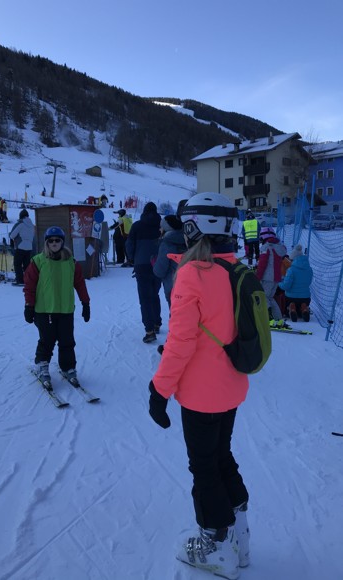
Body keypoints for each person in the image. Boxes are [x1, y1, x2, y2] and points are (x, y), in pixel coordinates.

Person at [148, 192, 249, 580]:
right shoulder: (235, 269)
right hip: (231, 388)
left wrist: (160, 390)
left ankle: (217, 544)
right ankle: (239, 537)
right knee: (222, 456)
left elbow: (181, 341)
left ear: (194, 229)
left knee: (204, 467)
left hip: (202, 395)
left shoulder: (193, 274)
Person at [23, 226, 90, 389]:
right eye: (51, 241)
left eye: (57, 240)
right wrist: (29, 306)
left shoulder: (71, 262)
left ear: (62, 242)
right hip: (45, 310)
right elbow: (29, 286)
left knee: (67, 341)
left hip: (66, 309)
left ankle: (68, 367)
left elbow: (80, 283)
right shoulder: (38, 261)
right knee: (47, 340)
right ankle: (42, 365)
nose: (54, 243)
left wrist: (85, 303)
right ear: (46, 243)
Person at [125, 201, 162, 343]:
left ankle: (149, 330)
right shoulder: (161, 226)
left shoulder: (137, 226)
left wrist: (132, 259)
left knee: (145, 298)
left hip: (141, 265)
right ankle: (157, 323)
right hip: (158, 265)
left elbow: (129, 244)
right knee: (155, 294)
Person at [256, 226, 288, 328]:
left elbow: (262, 264)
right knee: (270, 297)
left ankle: (269, 318)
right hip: (276, 277)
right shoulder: (279, 247)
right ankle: (278, 319)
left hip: (267, 277)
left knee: (264, 297)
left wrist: (257, 277)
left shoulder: (266, 247)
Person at [153, 214, 186, 308]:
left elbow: (159, 271)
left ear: (167, 229)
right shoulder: (190, 240)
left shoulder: (167, 244)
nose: (160, 229)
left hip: (173, 287)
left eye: (161, 227)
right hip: (191, 286)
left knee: (176, 315)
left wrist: (154, 262)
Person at [279, 244, 313, 322]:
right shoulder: (309, 269)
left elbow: (286, 286)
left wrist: (279, 283)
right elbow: (309, 282)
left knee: (289, 302)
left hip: (291, 297)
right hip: (306, 297)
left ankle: (292, 307)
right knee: (303, 303)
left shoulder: (291, 270)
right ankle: (304, 307)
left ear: (293, 259)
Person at [9, 209, 35, 285]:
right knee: (27, 265)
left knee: (17, 264)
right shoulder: (32, 225)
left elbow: (12, 235)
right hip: (29, 247)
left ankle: (20, 280)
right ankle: (27, 280)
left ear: (21, 216)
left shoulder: (20, 224)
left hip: (20, 246)